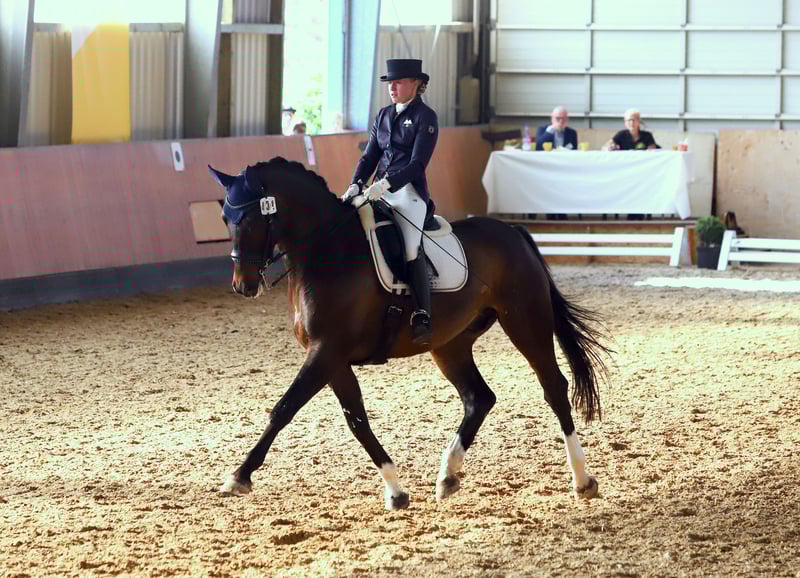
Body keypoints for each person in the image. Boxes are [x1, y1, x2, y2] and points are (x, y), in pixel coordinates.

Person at [341, 58, 438, 345]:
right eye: (389, 83)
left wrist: (386, 183)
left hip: (408, 193)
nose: (392, 88)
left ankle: (422, 313)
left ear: (416, 84)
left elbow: (418, 164)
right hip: (376, 190)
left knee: (410, 246)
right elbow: (370, 156)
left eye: (398, 83)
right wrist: (356, 183)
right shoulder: (383, 115)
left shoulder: (425, 117)